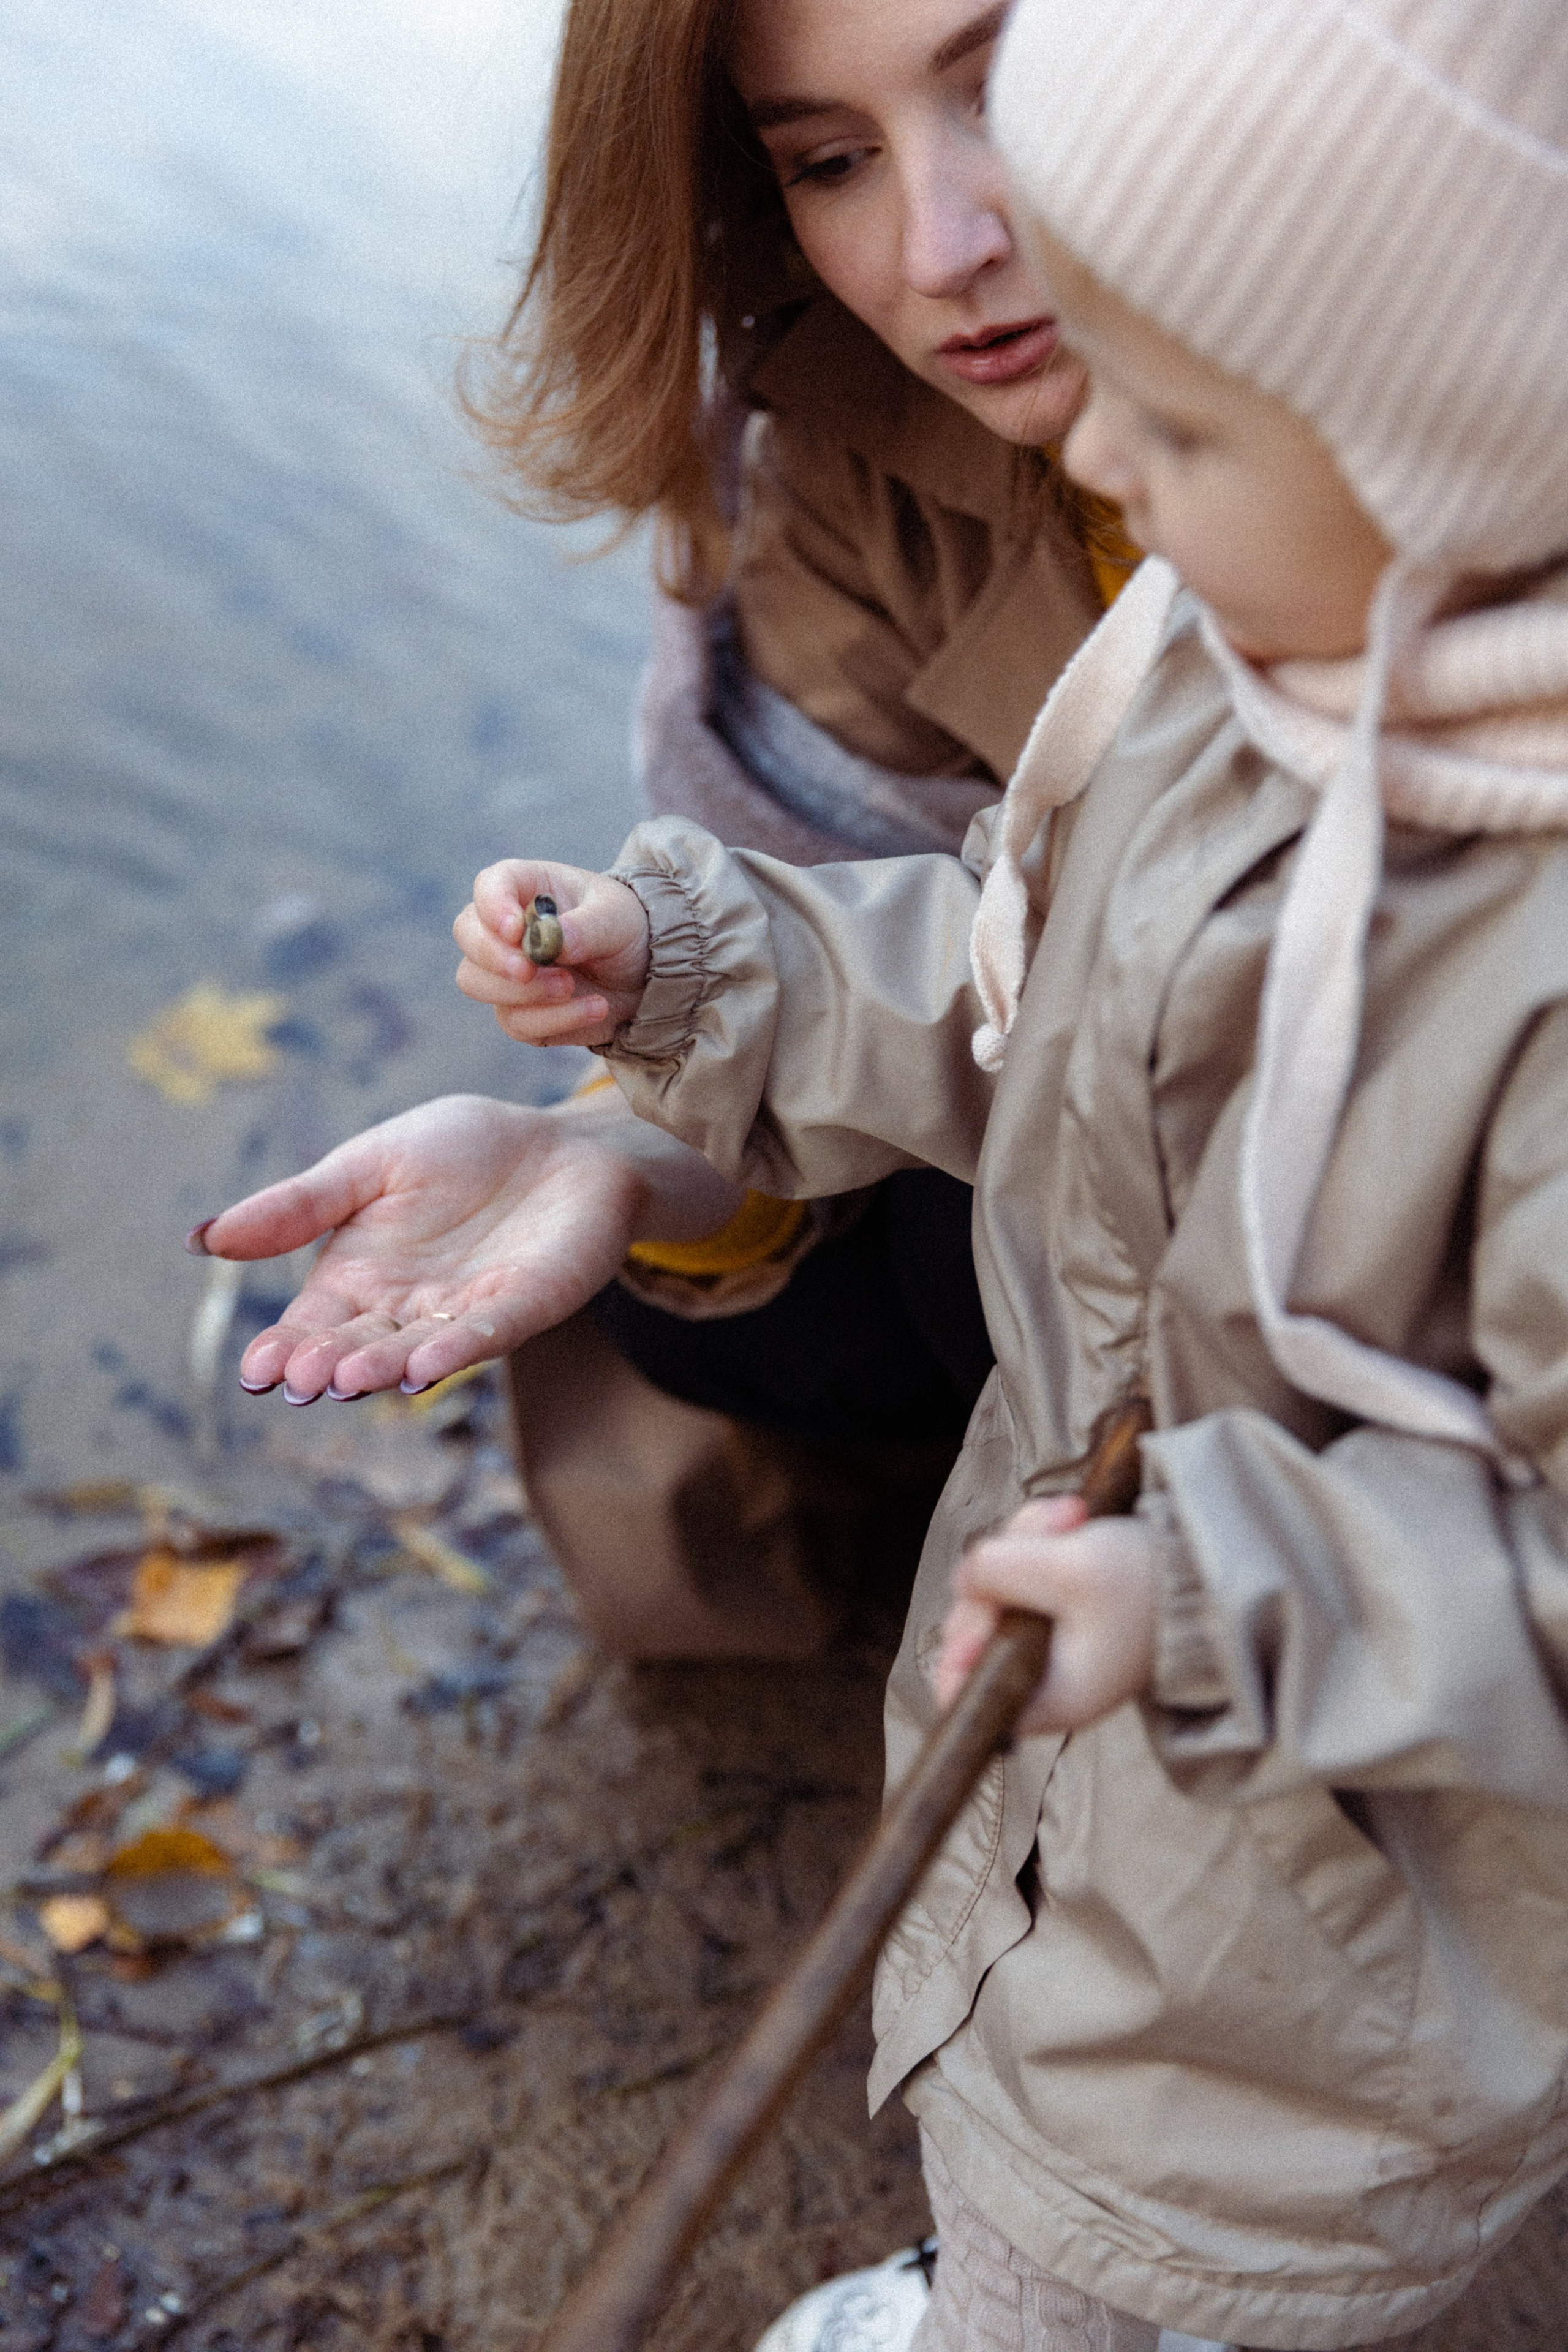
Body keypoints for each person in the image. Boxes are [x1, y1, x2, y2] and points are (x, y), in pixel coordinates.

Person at [447, 0, 1568, 2343]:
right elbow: (1020, 965)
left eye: (1177, 424)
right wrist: (702, 974)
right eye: (829, 157)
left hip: (1330, 1902)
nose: (1110, 482)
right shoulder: (1223, 644)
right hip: (1119, 1733)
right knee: (1033, 2072)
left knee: (1156, 2239)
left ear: (1447, 426)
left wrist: (1234, 1593)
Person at [205, 0, 1136, 1659]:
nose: (939, 248)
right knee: (785, 1300)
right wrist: (616, 1152)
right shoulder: (836, 438)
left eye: (1017, 95)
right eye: (831, 160)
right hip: (1111, 1130)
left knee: (999, 1238)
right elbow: (923, 979)